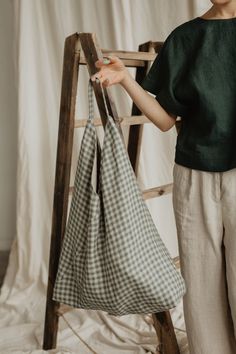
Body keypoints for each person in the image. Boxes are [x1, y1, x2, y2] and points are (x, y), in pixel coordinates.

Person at [91, 1, 236, 353]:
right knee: (201, 286)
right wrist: (125, 78)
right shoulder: (184, 38)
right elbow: (165, 119)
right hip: (194, 173)